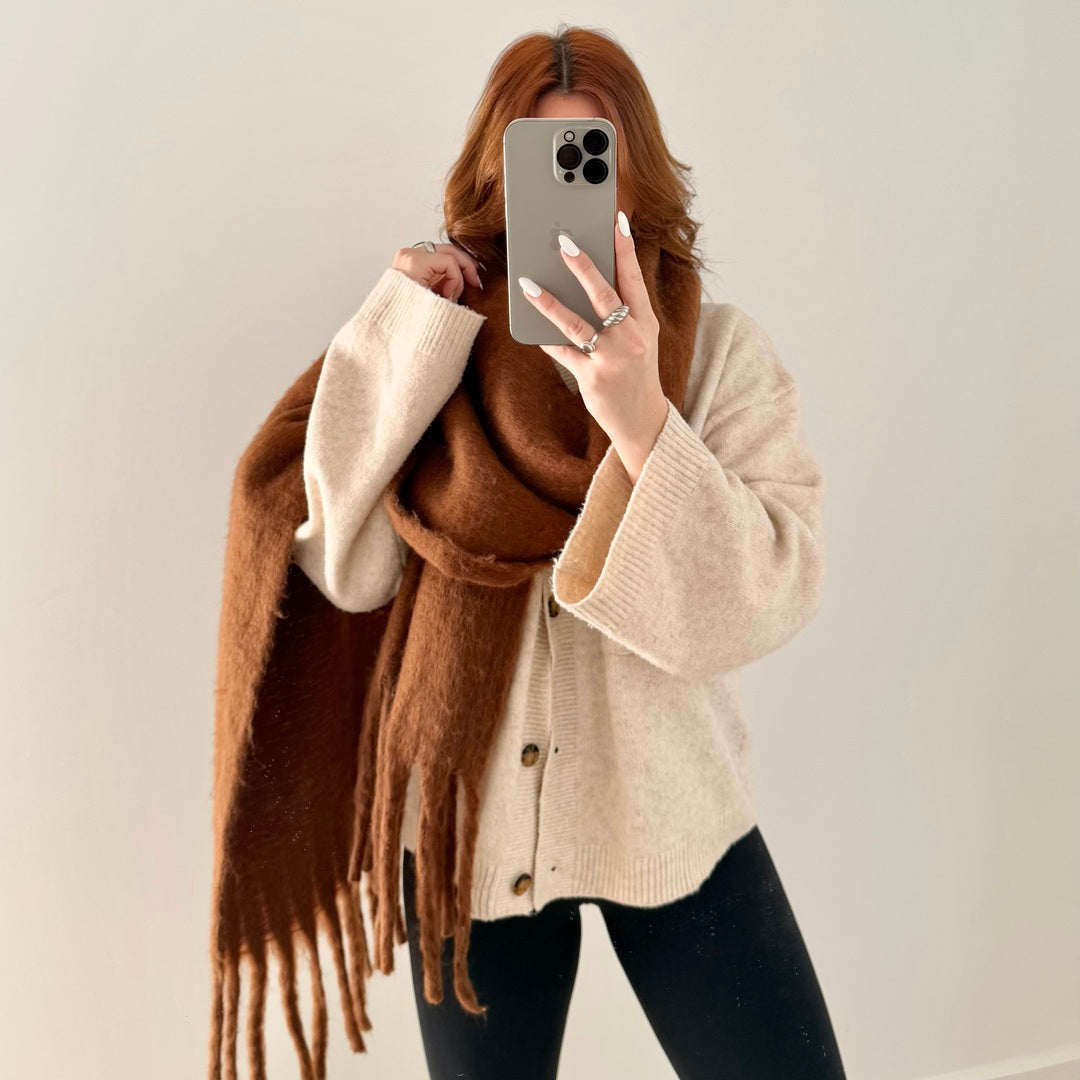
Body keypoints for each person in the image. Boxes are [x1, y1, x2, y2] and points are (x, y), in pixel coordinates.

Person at [289, 23, 847, 1080]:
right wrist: (394, 334)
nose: (567, 190)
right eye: (538, 160)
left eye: (590, 159)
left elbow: (773, 591)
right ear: (494, 178)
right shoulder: (437, 343)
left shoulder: (718, 353)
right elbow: (345, 567)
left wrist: (643, 421)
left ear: (637, 176)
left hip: (672, 817)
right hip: (465, 827)